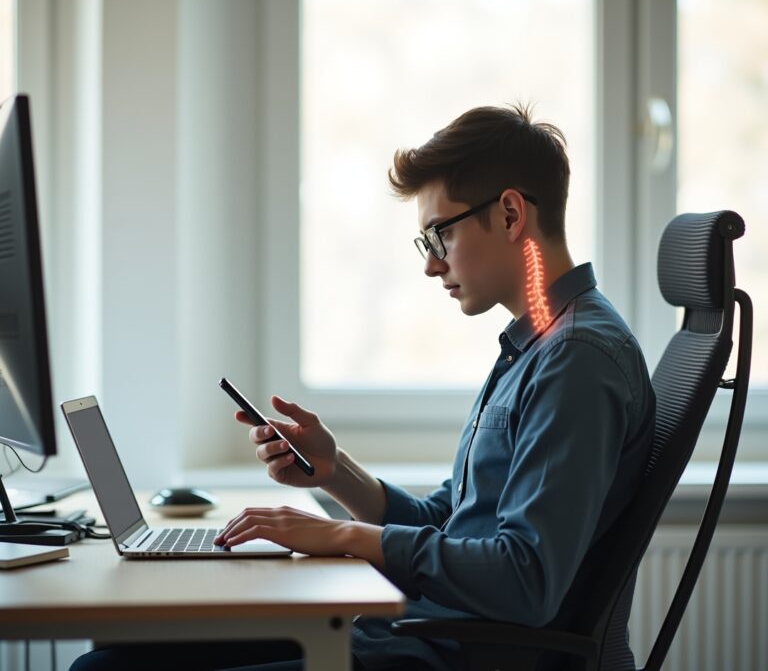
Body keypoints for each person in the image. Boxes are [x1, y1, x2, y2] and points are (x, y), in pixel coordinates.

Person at [71, 104, 655, 671]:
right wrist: (335, 471)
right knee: (108, 663)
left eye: (439, 235)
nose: (431, 265)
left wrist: (344, 536)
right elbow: (448, 520)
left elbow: (525, 580)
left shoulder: (576, 360)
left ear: (509, 214)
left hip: (444, 653)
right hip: (409, 636)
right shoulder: (536, 346)